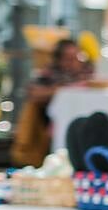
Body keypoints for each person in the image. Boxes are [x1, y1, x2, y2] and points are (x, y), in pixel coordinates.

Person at [11, 36, 95, 167]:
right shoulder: (49, 73)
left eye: (77, 57)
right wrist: (59, 91)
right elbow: (33, 92)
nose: (73, 62)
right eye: (68, 58)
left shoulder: (87, 72)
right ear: (59, 59)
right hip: (45, 126)